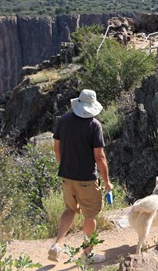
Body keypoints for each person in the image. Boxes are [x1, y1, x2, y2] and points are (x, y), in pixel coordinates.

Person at [48, 89, 113, 263]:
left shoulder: (64, 120)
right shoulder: (94, 125)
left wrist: (64, 166)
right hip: (87, 179)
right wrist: (107, 182)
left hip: (66, 177)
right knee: (90, 215)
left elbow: (56, 148)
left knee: (70, 209)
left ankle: (57, 244)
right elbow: (99, 157)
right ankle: (88, 254)